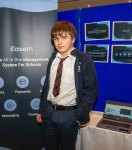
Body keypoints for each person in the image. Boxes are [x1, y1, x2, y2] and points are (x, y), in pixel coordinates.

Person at [36, 20, 98, 150]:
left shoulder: (84, 60)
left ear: (73, 39)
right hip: (49, 114)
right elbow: (47, 86)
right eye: (56, 38)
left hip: (69, 116)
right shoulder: (53, 58)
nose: (59, 42)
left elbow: (91, 91)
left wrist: (79, 115)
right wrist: (42, 110)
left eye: (64, 37)